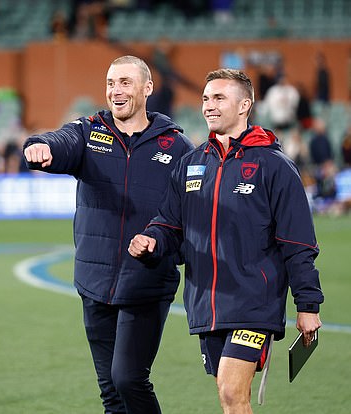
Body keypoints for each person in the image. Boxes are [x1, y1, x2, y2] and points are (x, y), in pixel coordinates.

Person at [128, 69, 324, 413]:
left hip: (254, 302)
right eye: (205, 98)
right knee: (228, 396)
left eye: (219, 98)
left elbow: (298, 244)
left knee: (233, 393)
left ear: (244, 104)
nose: (208, 106)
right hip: (207, 304)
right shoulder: (189, 164)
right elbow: (170, 226)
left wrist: (307, 306)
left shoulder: (274, 166)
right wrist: (153, 242)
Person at [23, 55, 194, 413]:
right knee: (111, 394)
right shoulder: (89, 131)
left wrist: (160, 246)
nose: (116, 91)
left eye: (125, 83)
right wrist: (42, 144)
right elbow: (63, 140)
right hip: (95, 282)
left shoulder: (178, 148)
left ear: (147, 88)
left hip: (146, 283)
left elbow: (189, 218)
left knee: (129, 378)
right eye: (111, 83)